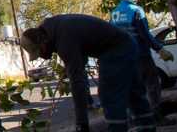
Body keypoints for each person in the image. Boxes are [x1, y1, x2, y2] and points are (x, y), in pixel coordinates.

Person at [21, 14, 156, 132]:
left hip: (116, 50)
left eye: (40, 53)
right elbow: (82, 45)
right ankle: (147, 127)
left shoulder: (63, 39)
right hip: (127, 44)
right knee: (134, 93)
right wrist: (72, 64)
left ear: (43, 42)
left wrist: (82, 124)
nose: (44, 57)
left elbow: (78, 83)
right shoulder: (53, 27)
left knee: (110, 95)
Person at [110, 0, 175, 125]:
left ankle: (135, 119)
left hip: (122, 57)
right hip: (140, 55)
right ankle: (156, 117)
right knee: (152, 85)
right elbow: (145, 34)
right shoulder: (136, 10)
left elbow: (112, 35)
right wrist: (160, 49)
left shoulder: (114, 12)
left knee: (131, 87)